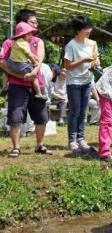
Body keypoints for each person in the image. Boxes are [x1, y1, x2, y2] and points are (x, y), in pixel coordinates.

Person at [0, 9, 52, 157]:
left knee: (41, 116)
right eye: (32, 22)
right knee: (15, 117)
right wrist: (19, 75)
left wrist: (34, 72)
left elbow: (40, 59)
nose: (36, 25)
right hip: (17, 85)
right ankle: (16, 147)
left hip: (37, 83)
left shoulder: (37, 41)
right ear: (22, 23)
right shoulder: (9, 42)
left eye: (36, 22)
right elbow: (2, 62)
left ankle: (40, 145)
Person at [64, 15, 100, 155]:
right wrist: (83, 60)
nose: (88, 30)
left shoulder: (92, 44)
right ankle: (72, 140)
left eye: (89, 27)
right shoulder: (71, 45)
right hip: (73, 82)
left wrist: (94, 63)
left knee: (83, 112)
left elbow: (95, 61)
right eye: (85, 28)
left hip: (87, 81)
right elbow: (67, 66)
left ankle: (81, 138)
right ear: (78, 30)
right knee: (75, 112)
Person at [7, 22, 46, 100]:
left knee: (7, 73)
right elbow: (29, 55)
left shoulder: (17, 42)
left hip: (11, 63)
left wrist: (36, 58)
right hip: (18, 65)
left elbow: (29, 54)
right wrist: (35, 63)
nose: (31, 36)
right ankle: (38, 93)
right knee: (34, 76)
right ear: (23, 34)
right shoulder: (23, 43)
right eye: (29, 34)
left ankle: (6, 91)